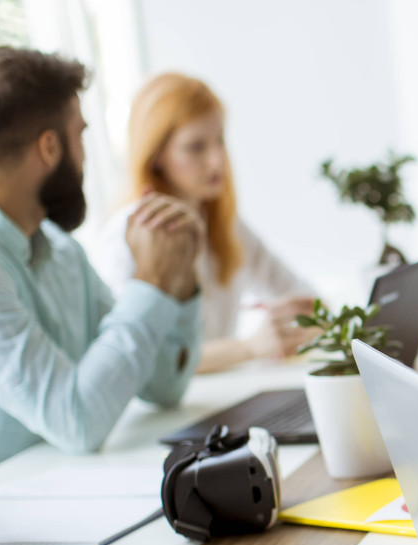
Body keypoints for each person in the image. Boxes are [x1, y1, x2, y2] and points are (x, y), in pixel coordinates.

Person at [0, 47, 203, 471]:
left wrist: (179, 276)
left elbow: (164, 384)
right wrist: (151, 282)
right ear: (49, 147)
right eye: (80, 134)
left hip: (59, 489)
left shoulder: (62, 251)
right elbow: (77, 421)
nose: (85, 155)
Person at [92, 73, 316, 374]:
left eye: (219, 140)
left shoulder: (224, 223)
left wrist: (299, 322)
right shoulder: (129, 234)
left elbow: (304, 298)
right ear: (156, 156)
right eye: (196, 147)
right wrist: (249, 347)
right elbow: (141, 363)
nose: (216, 161)